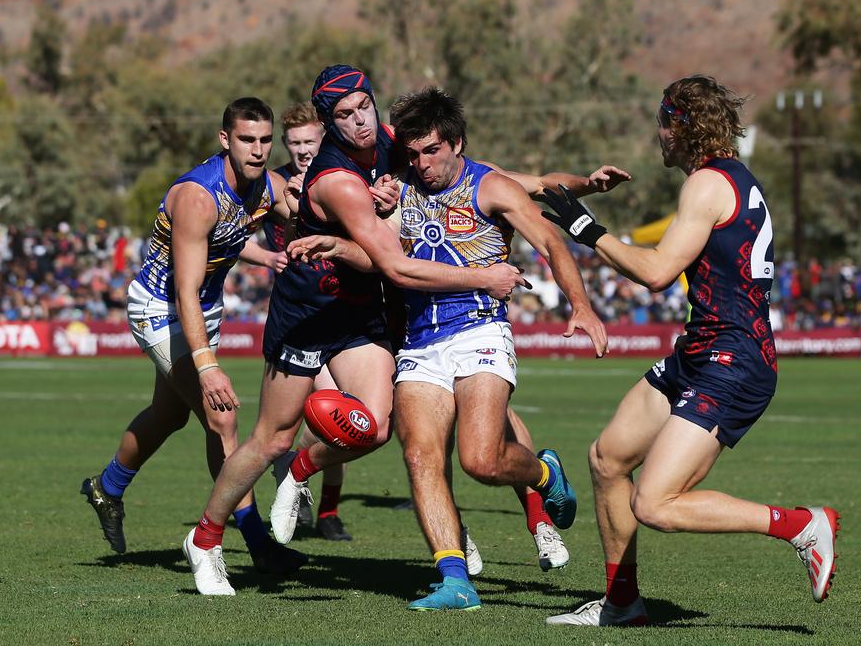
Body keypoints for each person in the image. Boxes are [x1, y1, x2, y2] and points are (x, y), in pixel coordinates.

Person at [182, 65, 529, 596]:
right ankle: (205, 538)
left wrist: (564, 189)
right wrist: (482, 275)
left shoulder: (394, 143)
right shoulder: (336, 179)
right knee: (270, 438)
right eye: (344, 114)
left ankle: (302, 473)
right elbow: (390, 264)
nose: (361, 121)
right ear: (327, 123)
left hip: (359, 316)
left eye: (364, 105)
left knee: (377, 426)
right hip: (309, 313)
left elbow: (482, 177)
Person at [290, 86, 612, 611]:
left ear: (457, 143)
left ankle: (545, 471)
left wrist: (582, 305)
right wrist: (335, 245)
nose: (422, 164)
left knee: (481, 461)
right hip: (420, 341)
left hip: (480, 331)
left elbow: (552, 242)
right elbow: (382, 259)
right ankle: (454, 580)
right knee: (420, 457)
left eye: (432, 151)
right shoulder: (399, 192)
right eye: (413, 153)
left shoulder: (492, 187)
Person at [540, 75, 839, 627]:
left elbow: (656, 273)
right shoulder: (732, 179)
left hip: (735, 357)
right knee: (608, 459)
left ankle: (800, 525)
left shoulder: (706, 184)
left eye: (662, 121)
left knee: (654, 503)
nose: (657, 134)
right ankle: (622, 602)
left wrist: (587, 230)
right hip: (702, 350)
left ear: (681, 125)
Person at [81, 97, 306, 577]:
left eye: (266, 141)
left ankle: (107, 487)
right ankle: (256, 542)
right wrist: (207, 368)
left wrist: (269, 255)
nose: (258, 150)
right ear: (225, 140)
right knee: (221, 420)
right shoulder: (196, 197)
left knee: (168, 415)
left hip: (204, 307)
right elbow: (183, 290)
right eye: (247, 140)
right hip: (161, 309)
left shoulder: (267, 185)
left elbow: (244, 229)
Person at [259, 101, 353, 541]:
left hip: (342, 310)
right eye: (294, 143)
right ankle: (292, 495)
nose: (301, 150)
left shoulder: (339, 178)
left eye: (308, 142)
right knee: (296, 421)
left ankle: (327, 511)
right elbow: (238, 226)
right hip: (296, 315)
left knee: (344, 413)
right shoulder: (276, 184)